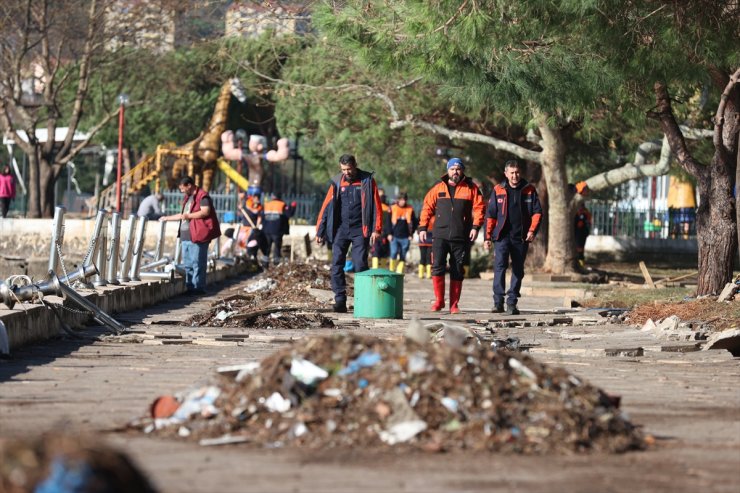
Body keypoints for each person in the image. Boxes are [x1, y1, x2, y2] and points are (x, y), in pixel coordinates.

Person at [316, 154, 382, 313]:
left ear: (355, 165)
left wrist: (376, 229)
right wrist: (320, 230)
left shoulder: (367, 181)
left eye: (349, 169)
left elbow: (376, 207)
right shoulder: (337, 182)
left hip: (361, 229)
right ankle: (340, 300)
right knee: (336, 264)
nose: (346, 172)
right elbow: (326, 207)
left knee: (360, 264)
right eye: (343, 169)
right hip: (341, 229)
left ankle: (362, 300)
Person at [418, 157, 485, 314]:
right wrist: (422, 227)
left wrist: (476, 226)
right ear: (447, 170)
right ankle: (439, 301)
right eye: (452, 169)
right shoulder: (438, 187)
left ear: (462, 171)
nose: (455, 172)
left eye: (458, 169)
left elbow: (480, 208)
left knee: (457, 269)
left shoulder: (471, 188)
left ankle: (454, 304)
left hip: (461, 236)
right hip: (439, 234)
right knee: (437, 267)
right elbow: (427, 207)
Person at [483, 159, 542, 315]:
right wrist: (487, 237)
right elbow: (490, 215)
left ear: (520, 173)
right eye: (512, 173)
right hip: (501, 236)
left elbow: (537, 212)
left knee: (518, 270)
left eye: (517, 172)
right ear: (506, 174)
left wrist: (532, 231)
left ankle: (512, 303)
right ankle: (498, 302)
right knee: (500, 267)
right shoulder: (498, 189)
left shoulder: (529, 190)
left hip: (521, 237)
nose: (515, 176)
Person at [159, 176, 220, 295]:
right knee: (188, 264)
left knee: (198, 262)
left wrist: (189, 216)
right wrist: (166, 218)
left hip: (198, 234)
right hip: (186, 235)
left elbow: (205, 211)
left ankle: (198, 287)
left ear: (189, 185)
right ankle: (190, 287)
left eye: (183, 188)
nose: (181, 191)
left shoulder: (202, 196)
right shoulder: (188, 198)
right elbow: (182, 215)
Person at [262, 192, 296, 265]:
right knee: (277, 247)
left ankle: (265, 263)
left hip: (266, 230)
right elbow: (289, 214)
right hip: (277, 230)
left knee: (266, 247)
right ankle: (276, 263)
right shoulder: (282, 204)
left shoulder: (266, 204)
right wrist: (293, 207)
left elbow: (262, 216)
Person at [389, 192, 416, 274]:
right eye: (401, 200)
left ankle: (399, 272)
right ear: (398, 200)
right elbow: (388, 222)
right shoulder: (392, 208)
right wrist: (389, 233)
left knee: (403, 255)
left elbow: (414, 222)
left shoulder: (410, 209)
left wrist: (411, 234)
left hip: (406, 237)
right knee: (393, 253)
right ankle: (391, 271)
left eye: (404, 200)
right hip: (394, 236)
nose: (403, 201)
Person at [371, 188, 392, 269]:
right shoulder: (373, 206)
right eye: (379, 195)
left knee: (384, 252)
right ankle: (375, 270)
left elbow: (389, 222)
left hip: (385, 233)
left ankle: (382, 270)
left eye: (382, 195)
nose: (381, 197)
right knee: (375, 252)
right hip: (375, 232)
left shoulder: (388, 208)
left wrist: (389, 233)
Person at [417, 212, 434, 279]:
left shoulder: (434, 217)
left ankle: (428, 274)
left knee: (428, 257)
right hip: (423, 239)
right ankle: (421, 274)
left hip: (431, 239)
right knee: (423, 257)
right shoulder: (424, 216)